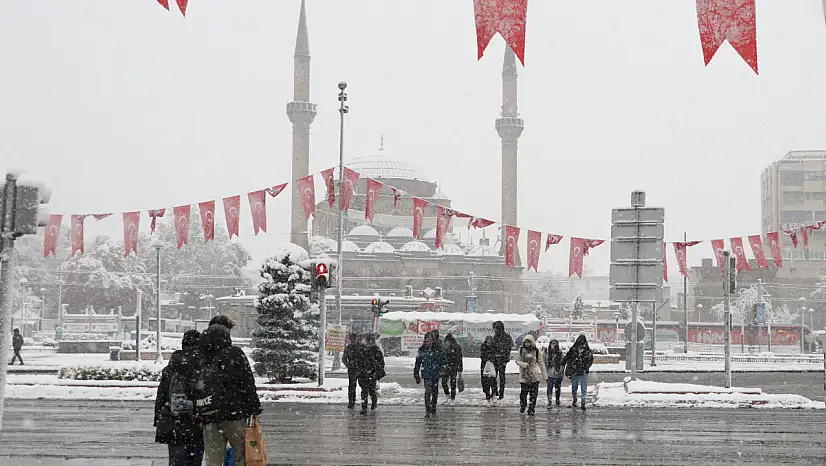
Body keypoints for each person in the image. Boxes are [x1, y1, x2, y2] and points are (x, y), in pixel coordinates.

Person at [194, 324, 262, 466]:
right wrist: (254, 407)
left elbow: (193, 386)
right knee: (242, 457)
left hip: (209, 416)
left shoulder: (201, 356)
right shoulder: (235, 354)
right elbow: (247, 382)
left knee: (213, 461)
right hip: (234, 415)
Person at [154, 330, 204, 466]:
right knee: (195, 460)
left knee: (176, 459)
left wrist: (158, 418)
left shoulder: (172, 366)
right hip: (196, 422)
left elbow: (162, 394)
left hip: (174, 422)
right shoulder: (202, 365)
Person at [413, 331, 444, 417]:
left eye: (430, 340)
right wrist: (416, 374)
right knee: (428, 391)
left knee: (435, 392)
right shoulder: (422, 349)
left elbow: (442, 361)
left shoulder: (437, 349)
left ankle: (433, 407)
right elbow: (417, 363)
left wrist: (442, 370)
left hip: (435, 374)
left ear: (433, 340)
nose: (429, 342)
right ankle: (428, 410)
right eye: (427, 340)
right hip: (426, 374)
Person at [514, 334, 546, 416]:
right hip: (524, 376)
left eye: (529, 342)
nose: (527, 344)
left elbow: (541, 363)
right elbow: (517, 360)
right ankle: (523, 405)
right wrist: (523, 364)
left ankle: (531, 409)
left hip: (534, 376)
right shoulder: (521, 350)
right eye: (526, 342)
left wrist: (544, 375)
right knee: (523, 394)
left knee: (533, 395)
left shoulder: (536, 351)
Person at [562, 335, 594, 412]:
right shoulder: (574, 350)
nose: (581, 345)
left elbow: (590, 360)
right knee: (575, 387)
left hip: (583, 371)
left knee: (583, 388)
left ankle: (583, 402)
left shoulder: (587, 351)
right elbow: (567, 357)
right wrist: (563, 364)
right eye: (580, 343)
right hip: (575, 371)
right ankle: (575, 400)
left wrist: (585, 367)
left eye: (582, 343)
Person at [358, 333, 386, 414]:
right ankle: (364, 406)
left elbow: (381, 362)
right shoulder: (362, 349)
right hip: (363, 374)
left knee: (371, 391)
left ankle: (374, 404)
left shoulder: (375, 350)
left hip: (372, 373)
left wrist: (376, 371)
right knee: (364, 391)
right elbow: (358, 361)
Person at [491, 321, 513, 400]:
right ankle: (497, 391)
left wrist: (504, 358)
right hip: (498, 359)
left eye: (495, 328)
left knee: (499, 376)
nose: (494, 330)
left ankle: (499, 392)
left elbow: (508, 348)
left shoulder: (503, 337)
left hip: (501, 359)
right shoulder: (497, 336)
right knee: (497, 376)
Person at [342, 333, 363, 410]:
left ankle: (364, 402)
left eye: (354, 339)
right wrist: (349, 365)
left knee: (363, 386)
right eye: (351, 339)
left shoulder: (361, 347)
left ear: (356, 339)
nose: (352, 341)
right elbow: (344, 359)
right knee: (352, 386)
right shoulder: (348, 348)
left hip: (361, 370)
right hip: (352, 370)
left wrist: (363, 366)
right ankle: (351, 402)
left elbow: (365, 357)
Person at [441, 333, 463, 401]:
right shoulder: (444, 347)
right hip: (446, 367)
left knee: (452, 383)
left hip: (453, 367)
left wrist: (460, 369)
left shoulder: (456, 347)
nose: (447, 343)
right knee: (444, 382)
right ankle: (447, 394)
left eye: (448, 341)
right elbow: (441, 358)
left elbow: (459, 358)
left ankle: (452, 397)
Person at [544, 339, 564, 408]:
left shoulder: (560, 352)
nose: (553, 345)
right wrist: (546, 370)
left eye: (555, 343)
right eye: (552, 343)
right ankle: (549, 402)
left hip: (558, 373)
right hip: (549, 373)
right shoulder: (547, 352)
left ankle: (557, 401)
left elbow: (562, 363)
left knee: (557, 388)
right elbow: (544, 362)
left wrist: (560, 370)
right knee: (549, 387)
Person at [480, 335, 498, 403]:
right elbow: (482, 355)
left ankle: (493, 394)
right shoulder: (483, 346)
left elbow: (496, 356)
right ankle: (487, 395)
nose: (489, 342)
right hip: (485, 365)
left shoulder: (495, 347)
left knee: (493, 380)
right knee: (486, 381)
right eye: (488, 340)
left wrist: (492, 358)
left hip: (492, 365)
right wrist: (488, 358)